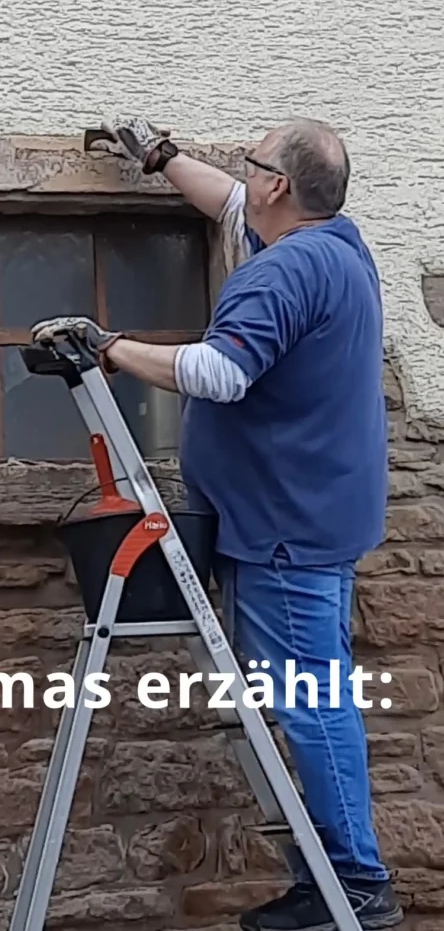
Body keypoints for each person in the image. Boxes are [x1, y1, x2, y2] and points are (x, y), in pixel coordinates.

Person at [32, 115, 403, 931]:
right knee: (314, 693)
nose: (244, 172)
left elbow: (220, 372)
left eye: (255, 161)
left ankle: (355, 888)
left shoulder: (286, 272)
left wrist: (111, 348)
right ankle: (332, 881)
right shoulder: (335, 245)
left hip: (284, 526)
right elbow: (234, 202)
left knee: (311, 699)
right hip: (309, 515)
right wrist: (163, 159)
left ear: (281, 186)